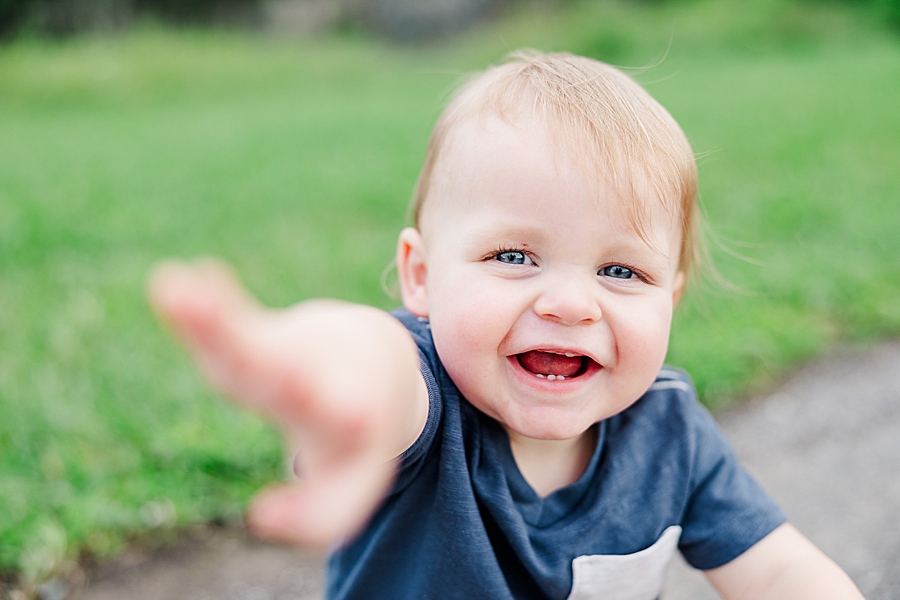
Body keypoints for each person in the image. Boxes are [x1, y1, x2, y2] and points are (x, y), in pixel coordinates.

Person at [149, 51, 863, 599]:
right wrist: (317, 367)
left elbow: (778, 572)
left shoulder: (670, 432)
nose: (571, 304)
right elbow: (375, 358)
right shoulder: (429, 405)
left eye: (622, 272)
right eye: (515, 256)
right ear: (422, 276)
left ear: (669, 298)